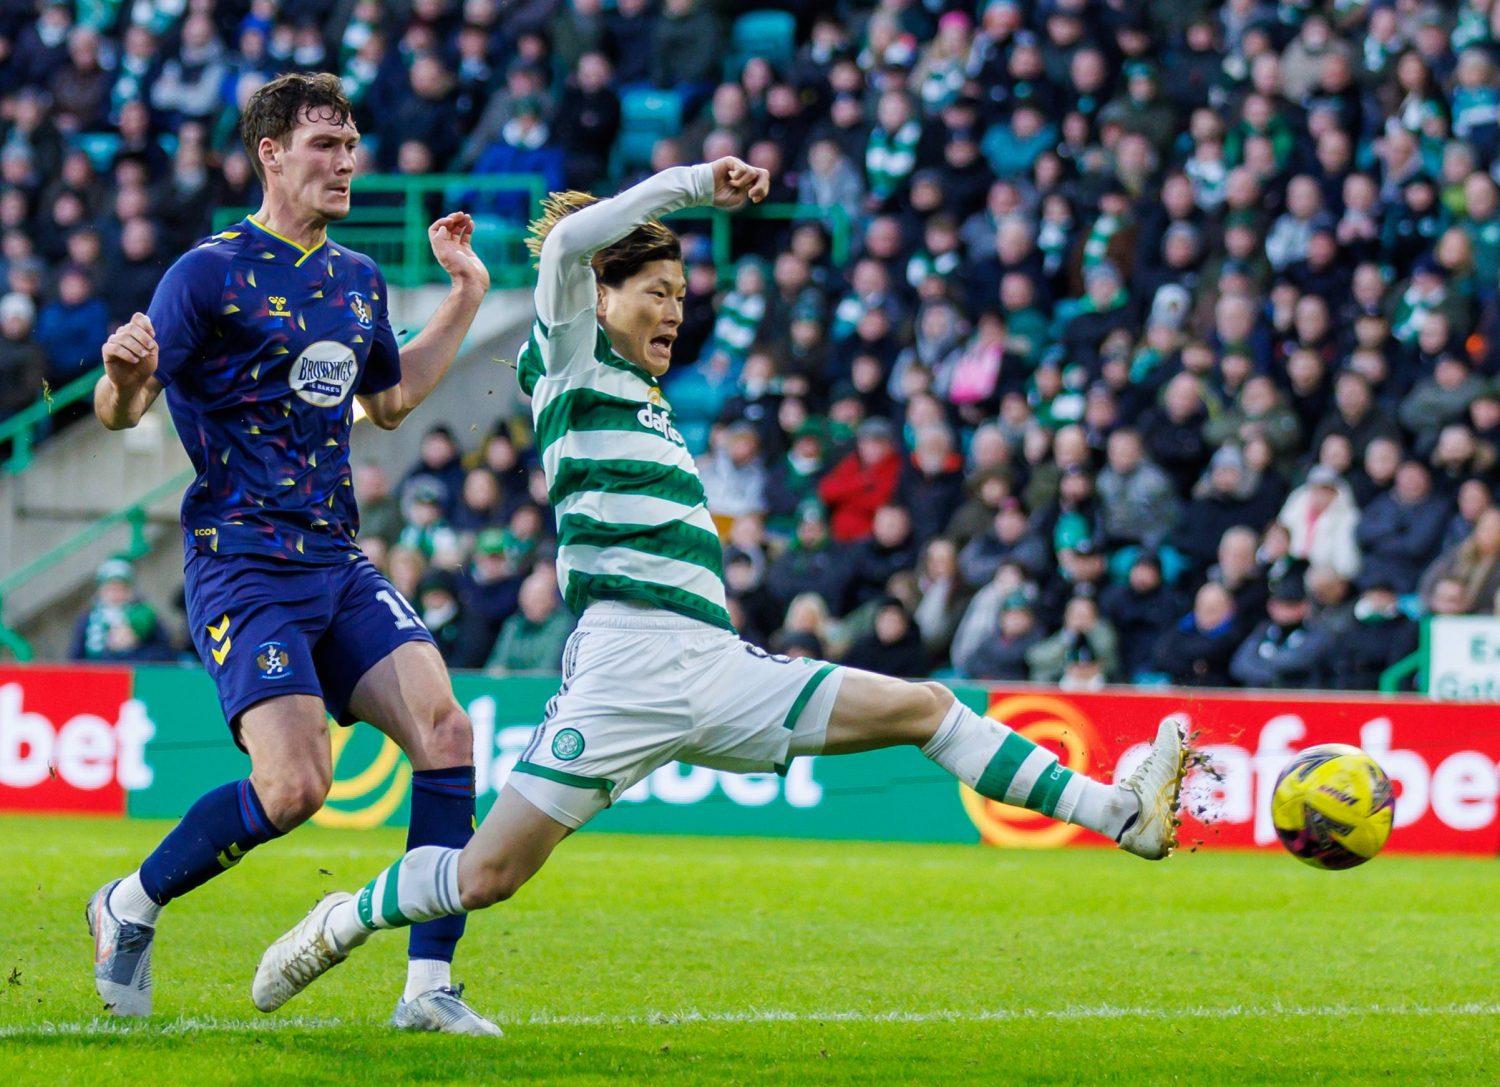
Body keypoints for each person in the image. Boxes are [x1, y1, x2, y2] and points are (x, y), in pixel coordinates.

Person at [251, 156, 1189, 1019]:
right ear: (600, 296)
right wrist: (698, 183)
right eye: (655, 291)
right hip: (625, 668)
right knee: (488, 874)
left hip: (718, 662)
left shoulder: (651, 404)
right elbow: (575, 241)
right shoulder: (571, 361)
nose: (673, 312)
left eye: (683, 296)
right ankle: (346, 917)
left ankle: (1122, 816)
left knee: (927, 707)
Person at [87, 74, 499, 1034]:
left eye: (351, 142)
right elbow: (124, 411)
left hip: (335, 558)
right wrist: (119, 377)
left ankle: (428, 986)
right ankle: (129, 903)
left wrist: (467, 293)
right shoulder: (207, 274)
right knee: (295, 788)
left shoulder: (356, 278)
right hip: (241, 561)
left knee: (447, 734)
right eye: (324, 143)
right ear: (270, 153)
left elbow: (390, 399)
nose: (346, 160)